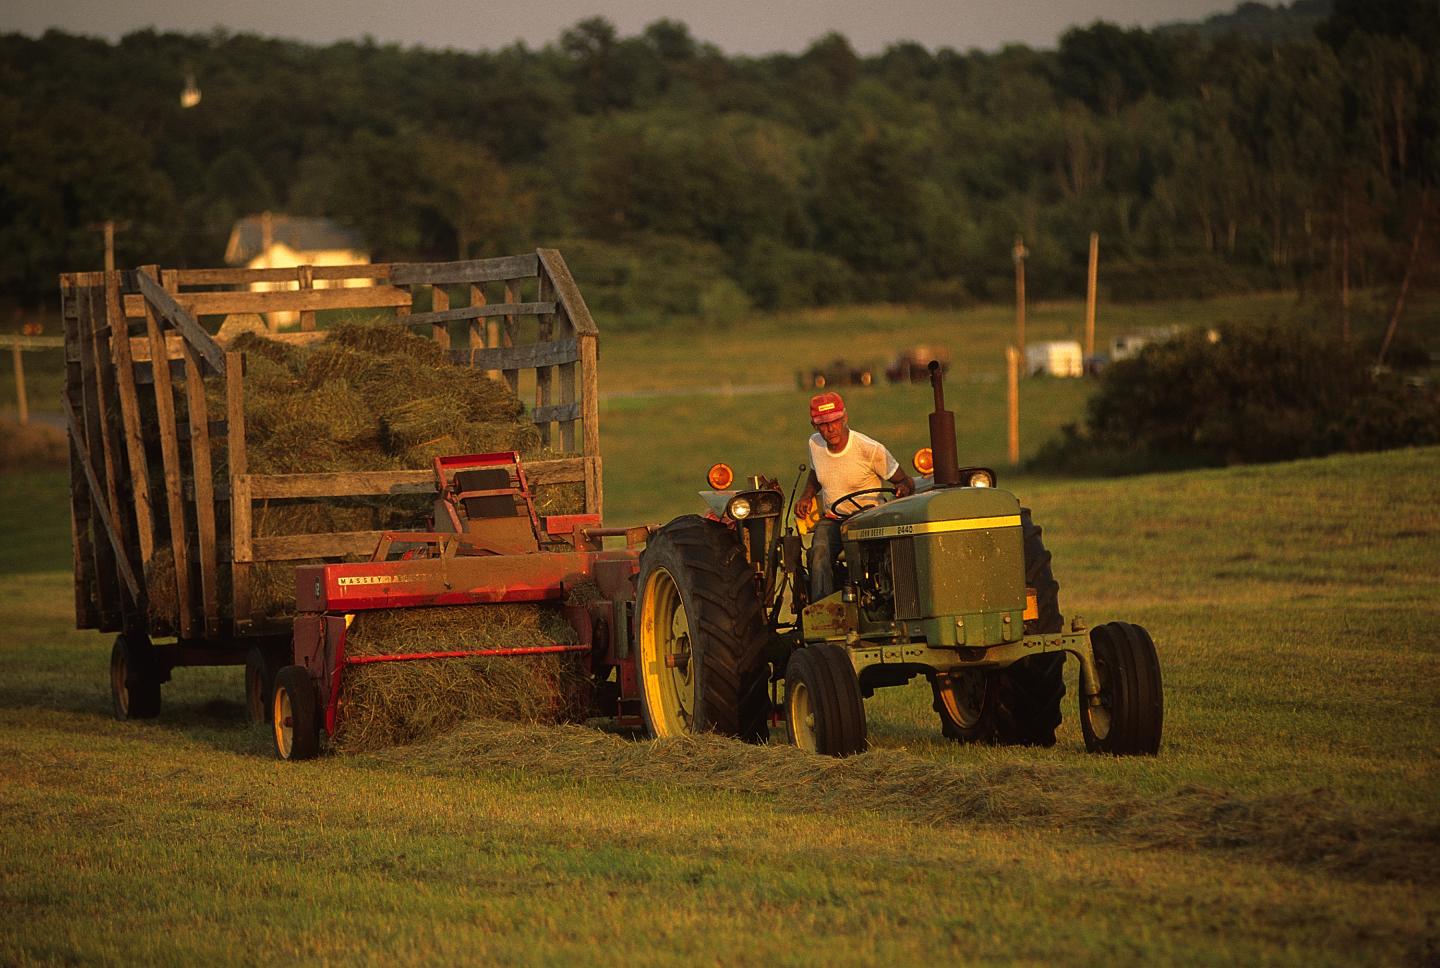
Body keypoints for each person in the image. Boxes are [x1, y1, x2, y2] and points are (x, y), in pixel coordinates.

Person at [795, 391, 914, 602]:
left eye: (835, 421)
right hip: (833, 520)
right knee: (818, 554)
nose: (830, 429)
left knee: (880, 559)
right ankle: (823, 610)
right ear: (814, 426)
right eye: (823, 424)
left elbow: (904, 481)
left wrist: (903, 488)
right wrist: (807, 495)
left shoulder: (870, 449)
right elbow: (816, 473)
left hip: (867, 519)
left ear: (845, 418)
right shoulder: (815, 444)